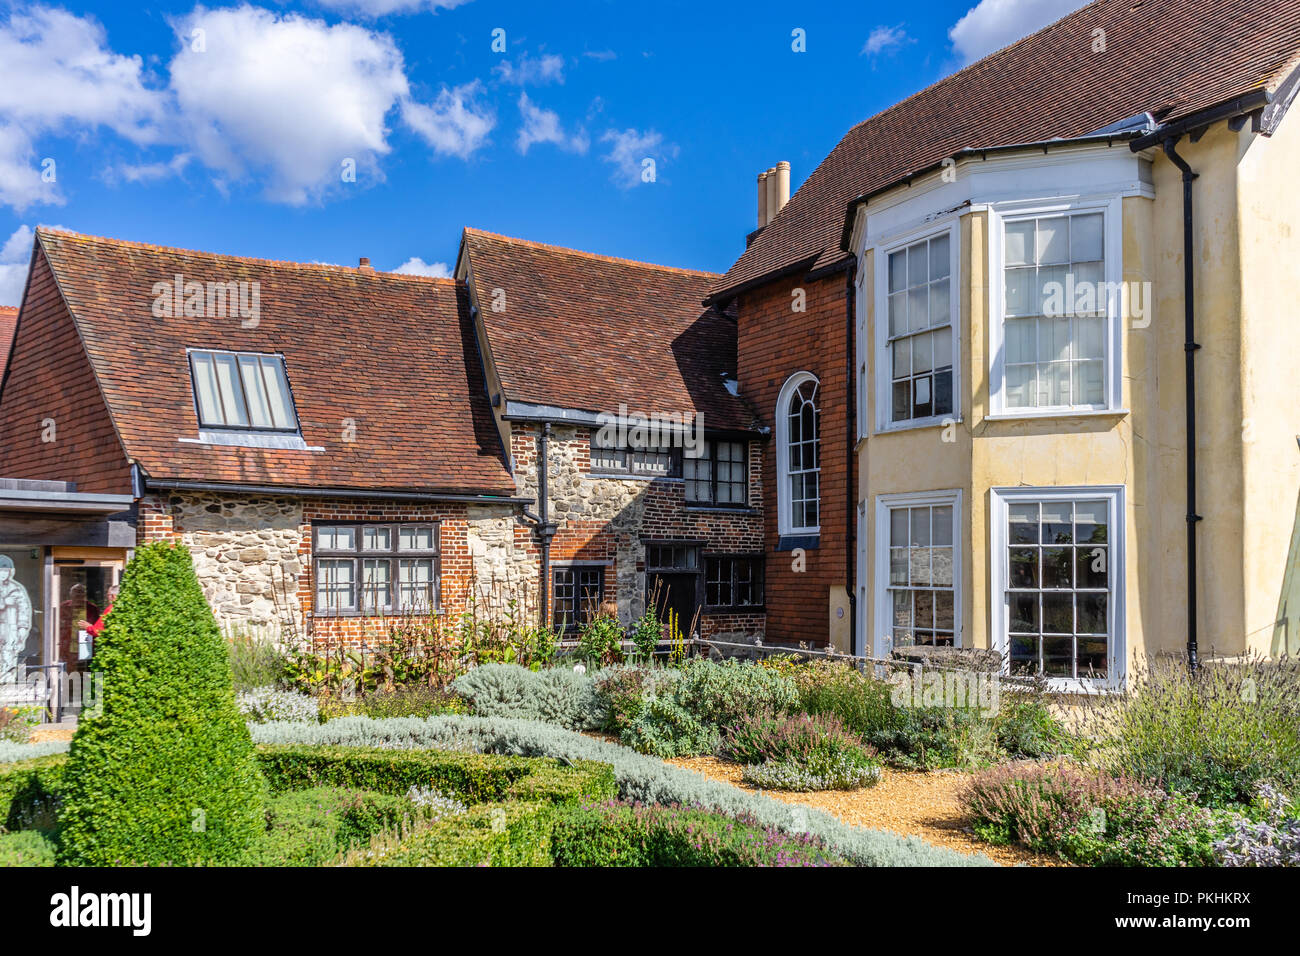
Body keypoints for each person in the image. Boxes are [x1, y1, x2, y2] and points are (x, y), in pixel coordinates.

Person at [0, 555, 33, 685]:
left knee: (9, 657)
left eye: (5, 571)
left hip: (10, 630)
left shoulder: (16, 589)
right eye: (0, 571)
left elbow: (24, 611)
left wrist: (22, 631)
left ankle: (7, 684)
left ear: (10, 572)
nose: (3, 574)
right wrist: (3, 602)